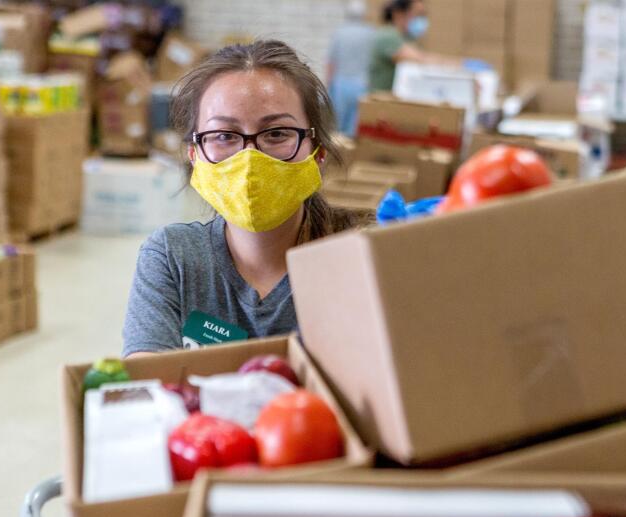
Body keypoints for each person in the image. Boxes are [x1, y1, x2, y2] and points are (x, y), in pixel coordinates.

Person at [122, 40, 369, 358]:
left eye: (277, 133)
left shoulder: (362, 249)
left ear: (317, 152)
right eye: (224, 135)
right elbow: (147, 380)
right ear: (195, 155)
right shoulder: (173, 258)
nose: (249, 158)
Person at [368, 0, 460, 92]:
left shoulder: (407, 38)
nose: (422, 20)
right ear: (399, 14)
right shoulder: (387, 36)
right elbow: (421, 60)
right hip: (381, 101)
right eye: (418, 14)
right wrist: (461, 65)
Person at [326, 0, 375, 136]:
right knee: (353, 129)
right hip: (362, 85)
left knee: (337, 128)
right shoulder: (371, 33)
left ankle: (338, 154)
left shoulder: (339, 32)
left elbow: (331, 61)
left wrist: (329, 84)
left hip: (341, 84)